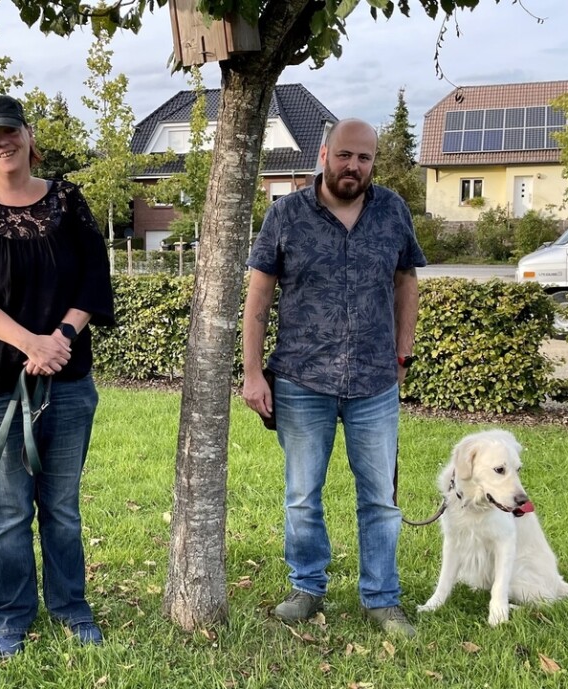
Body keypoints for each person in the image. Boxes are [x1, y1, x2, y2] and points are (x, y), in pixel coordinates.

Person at [0, 94, 115, 658]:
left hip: (67, 381)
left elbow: (94, 278)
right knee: (10, 511)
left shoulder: (69, 201)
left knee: (62, 509)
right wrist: (30, 343)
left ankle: (71, 607)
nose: (2, 143)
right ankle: (10, 616)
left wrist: (60, 338)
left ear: (29, 135)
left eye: (9, 131)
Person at [241, 118, 426, 637]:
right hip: (301, 379)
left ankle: (382, 598)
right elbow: (258, 296)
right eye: (345, 155)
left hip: (375, 381)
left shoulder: (392, 210)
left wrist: (403, 353)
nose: (354, 166)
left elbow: (406, 280)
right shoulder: (285, 214)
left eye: (364, 158)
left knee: (380, 498)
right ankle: (306, 587)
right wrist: (252, 372)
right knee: (303, 494)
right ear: (324, 154)